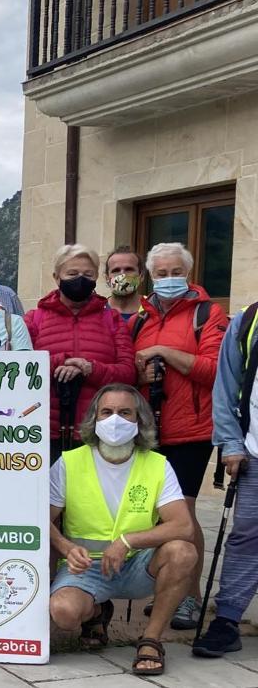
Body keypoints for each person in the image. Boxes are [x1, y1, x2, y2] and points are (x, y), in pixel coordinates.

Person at [48, 384, 196, 676]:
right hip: (85, 568)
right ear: (95, 419)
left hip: (138, 566)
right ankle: (97, 612)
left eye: (125, 413)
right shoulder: (69, 462)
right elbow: (40, 518)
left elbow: (184, 525)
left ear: (139, 421)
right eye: (107, 412)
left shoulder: (157, 465)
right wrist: (66, 548)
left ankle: (151, 640)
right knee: (63, 613)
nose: (115, 420)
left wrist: (128, 540)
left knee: (183, 551)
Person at [129, 242, 227, 629]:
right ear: (151, 275)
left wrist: (165, 351)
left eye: (175, 272)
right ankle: (169, 587)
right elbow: (130, 370)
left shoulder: (207, 312)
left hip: (191, 431)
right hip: (149, 429)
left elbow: (213, 370)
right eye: (161, 273)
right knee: (155, 514)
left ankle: (191, 597)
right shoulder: (140, 316)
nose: (168, 279)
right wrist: (141, 374)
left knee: (182, 514)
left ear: (187, 273)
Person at [25, 244, 136, 461]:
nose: (80, 279)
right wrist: (62, 362)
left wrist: (89, 367)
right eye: (72, 274)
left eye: (88, 274)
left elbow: (127, 372)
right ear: (57, 277)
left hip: (97, 432)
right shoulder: (34, 319)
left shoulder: (111, 319)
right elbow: (20, 369)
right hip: (43, 433)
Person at [192, 298, 258, 657]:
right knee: (247, 534)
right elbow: (226, 383)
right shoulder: (250, 319)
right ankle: (228, 619)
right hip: (254, 449)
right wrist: (231, 443)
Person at [105, 246, 145, 322]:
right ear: (107, 279)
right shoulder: (98, 311)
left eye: (129, 269)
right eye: (116, 270)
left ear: (141, 276)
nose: (122, 275)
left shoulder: (154, 308)